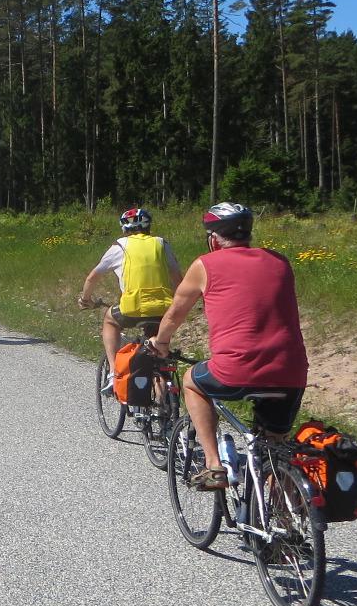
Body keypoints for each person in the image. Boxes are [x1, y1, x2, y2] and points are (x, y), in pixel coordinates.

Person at [151, 203, 309, 491]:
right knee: (274, 447)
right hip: (291, 371)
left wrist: (160, 343)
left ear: (213, 239)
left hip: (235, 369)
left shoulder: (205, 265)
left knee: (191, 382)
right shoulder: (280, 261)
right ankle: (282, 522)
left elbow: (175, 314)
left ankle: (214, 466)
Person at [76, 207, 183, 392]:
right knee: (158, 353)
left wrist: (86, 300)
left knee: (110, 320)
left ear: (124, 229)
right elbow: (177, 279)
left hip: (133, 308)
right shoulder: (161, 243)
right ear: (149, 226)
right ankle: (165, 410)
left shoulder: (120, 246)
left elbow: (92, 277)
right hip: (164, 307)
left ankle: (113, 373)